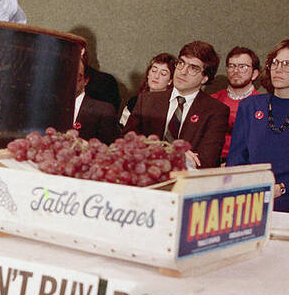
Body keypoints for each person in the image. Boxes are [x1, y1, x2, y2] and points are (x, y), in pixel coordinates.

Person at [124, 41, 229, 168]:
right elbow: (126, 144)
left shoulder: (216, 110)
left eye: (193, 68)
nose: (182, 71)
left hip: (186, 181)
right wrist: (171, 152)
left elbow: (207, 160)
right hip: (146, 175)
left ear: (205, 78)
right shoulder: (147, 101)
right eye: (181, 63)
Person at [227, 39, 289, 212]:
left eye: (287, 64)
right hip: (249, 199)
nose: (279, 68)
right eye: (275, 62)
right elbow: (237, 156)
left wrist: (282, 188)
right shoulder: (250, 105)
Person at [210, 46, 260, 162]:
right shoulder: (213, 100)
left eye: (243, 67)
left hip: (247, 165)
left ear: (254, 73)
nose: (236, 71)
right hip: (213, 163)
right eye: (232, 66)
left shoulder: (262, 104)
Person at [74, 52, 120, 144]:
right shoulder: (50, 106)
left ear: (86, 80)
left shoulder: (104, 111)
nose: (70, 80)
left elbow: (109, 150)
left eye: (77, 76)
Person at [120, 52, 176, 126]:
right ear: (148, 74)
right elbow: (122, 129)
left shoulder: (173, 105)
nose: (156, 76)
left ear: (170, 81)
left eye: (163, 74)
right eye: (154, 71)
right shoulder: (135, 101)